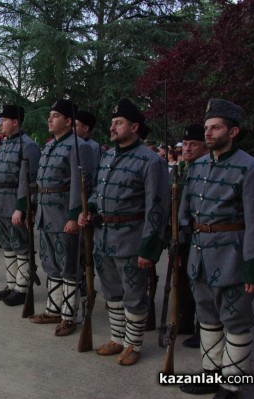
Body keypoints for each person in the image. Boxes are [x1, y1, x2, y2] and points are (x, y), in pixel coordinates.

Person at [178, 99, 254, 398]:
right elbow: (185, 210)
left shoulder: (251, 168)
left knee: (235, 320)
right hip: (200, 256)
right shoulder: (198, 166)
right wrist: (181, 247)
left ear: (233, 131)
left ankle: (233, 384)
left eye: (215, 127)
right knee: (207, 317)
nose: (208, 133)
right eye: (206, 127)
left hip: (233, 256)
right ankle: (211, 373)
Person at [78, 98, 170, 365]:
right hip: (103, 237)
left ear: (135, 127)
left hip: (131, 239)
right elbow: (98, 191)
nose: (112, 127)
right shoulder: (108, 155)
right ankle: (118, 338)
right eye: (112, 123)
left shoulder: (150, 161)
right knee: (111, 292)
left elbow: (157, 207)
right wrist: (89, 210)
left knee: (134, 294)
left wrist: (149, 247)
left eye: (118, 123)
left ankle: (134, 344)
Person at [29, 99, 96, 336]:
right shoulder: (49, 146)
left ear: (68, 121)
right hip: (46, 215)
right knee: (51, 264)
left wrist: (73, 215)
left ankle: (69, 316)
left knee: (69, 267)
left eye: (55, 115)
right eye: (50, 114)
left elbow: (81, 186)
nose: (50, 119)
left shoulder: (79, 146)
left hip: (63, 216)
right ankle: (53, 309)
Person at [0, 105, 40, 306]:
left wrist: (22, 207)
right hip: (0, 201)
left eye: (4, 120)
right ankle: (11, 284)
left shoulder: (27, 145)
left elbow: (27, 181)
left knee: (20, 245)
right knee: (7, 245)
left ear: (15, 122)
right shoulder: (4, 144)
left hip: (14, 202)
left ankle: (22, 288)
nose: (1, 124)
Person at [176, 123, 210, 348]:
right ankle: (185, 321)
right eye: (185, 144)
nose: (187, 149)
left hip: (198, 235)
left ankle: (202, 328)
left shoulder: (204, 170)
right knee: (182, 280)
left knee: (199, 281)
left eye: (193, 144)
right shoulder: (182, 170)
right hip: (182, 233)